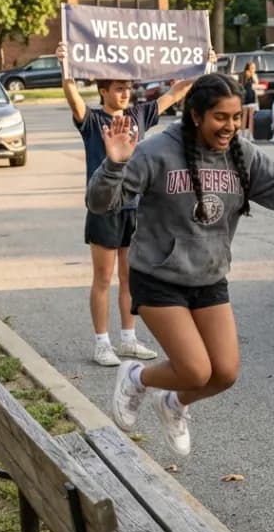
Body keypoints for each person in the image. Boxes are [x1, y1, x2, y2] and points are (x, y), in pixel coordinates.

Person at [89, 74, 274, 455]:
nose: (229, 126)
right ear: (195, 115)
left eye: (234, 117)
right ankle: (136, 377)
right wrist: (113, 165)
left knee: (224, 373)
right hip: (158, 276)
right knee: (195, 370)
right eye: (220, 118)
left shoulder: (243, 155)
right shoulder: (157, 151)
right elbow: (100, 203)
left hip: (209, 276)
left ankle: (174, 403)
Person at [59, 42, 202, 366]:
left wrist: (200, 63)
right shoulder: (92, 121)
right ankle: (101, 343)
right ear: (104, 90)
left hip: (134, 208)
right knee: (102, 277)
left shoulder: (139, 114)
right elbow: (72, 96)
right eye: (119, 89)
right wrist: (65, 66)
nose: (125, 94)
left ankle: (128, 338)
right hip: (104, 209)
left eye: (128, 88)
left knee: (129, 277)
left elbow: (177, 92)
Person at [240, 62, 259, 142]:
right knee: (247, 116)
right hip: (248, 95)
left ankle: (246, 134)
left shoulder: (249, 74)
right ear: (248, 67)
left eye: (254, 67)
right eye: (252, 67)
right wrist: (253, 74)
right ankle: (246, 134)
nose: (253, 69)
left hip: (249, 95)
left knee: (248, 116)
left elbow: (256, 83)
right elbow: (255, 82)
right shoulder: (248, 74)